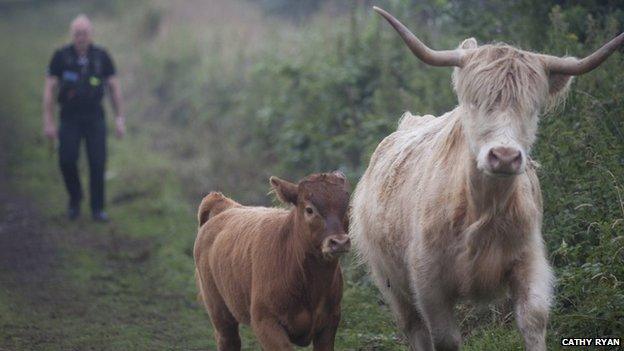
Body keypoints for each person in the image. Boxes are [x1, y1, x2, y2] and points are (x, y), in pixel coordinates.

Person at [42, 14, 125, 222]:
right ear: (72, 35)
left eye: (84, 33)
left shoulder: (102, 56)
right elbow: (50, 90)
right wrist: (49, 122)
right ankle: (75, 199)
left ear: (91, 34)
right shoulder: (60, 57)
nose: (81, 37)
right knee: (66, 160)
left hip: (94, 117)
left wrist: (119, 118)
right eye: (77, 33)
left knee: (97, 163)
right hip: (69, 117)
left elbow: (114, 88)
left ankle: (97, 208)